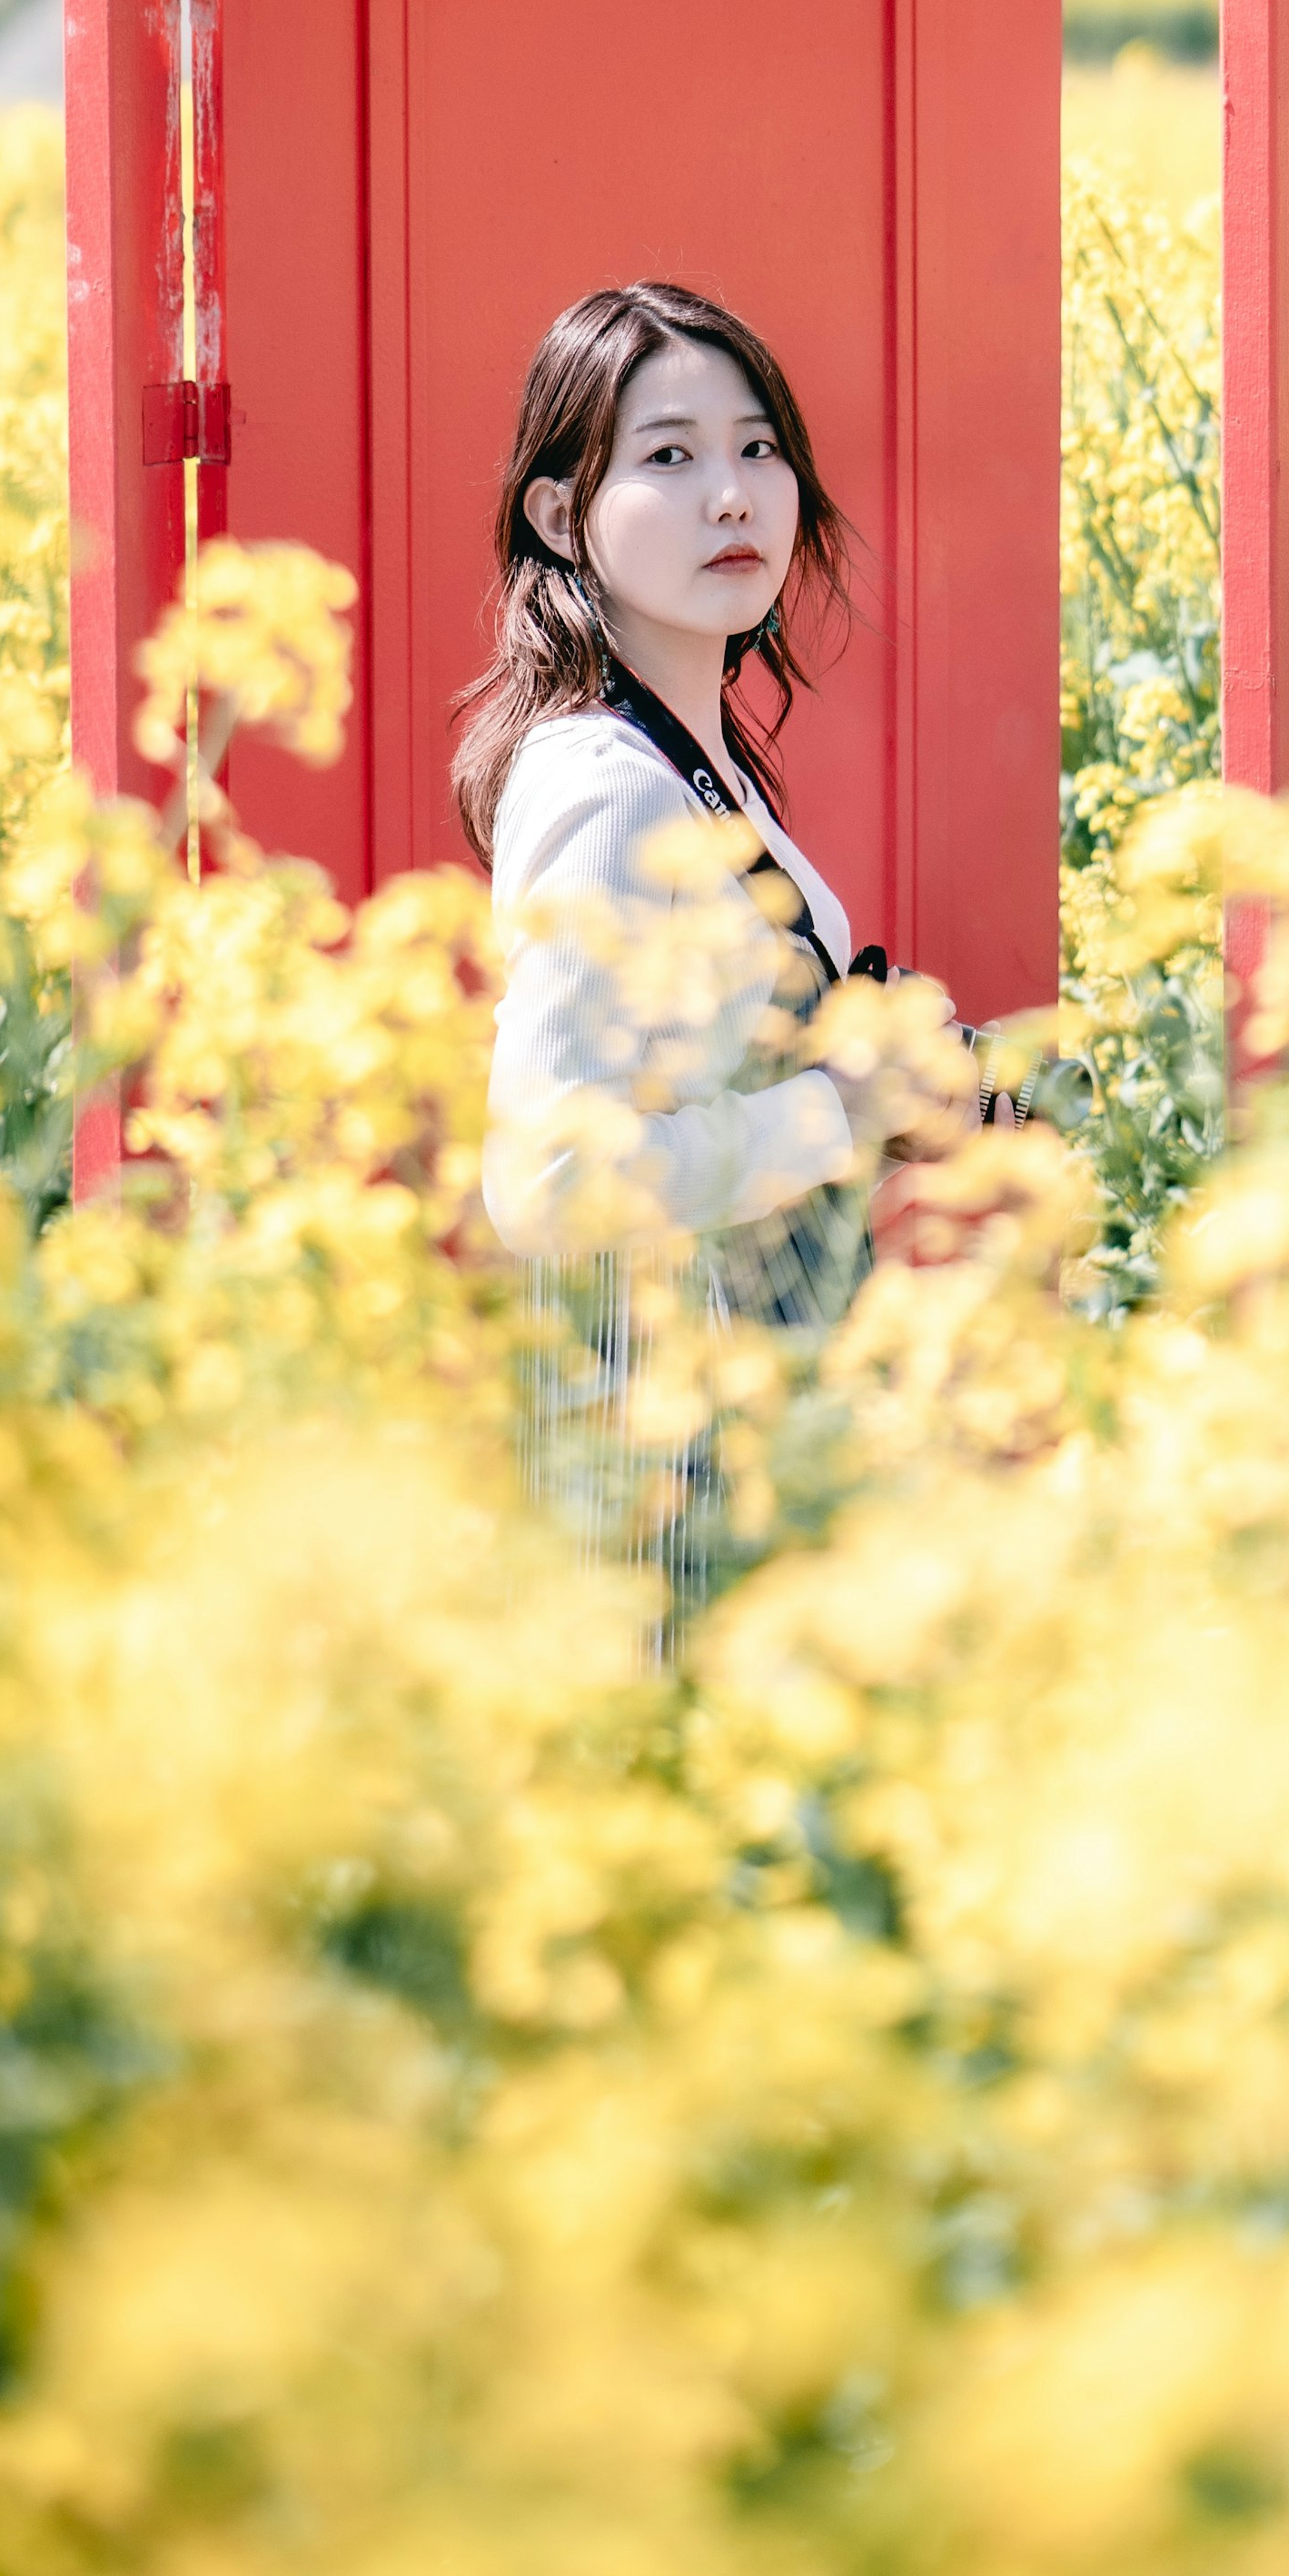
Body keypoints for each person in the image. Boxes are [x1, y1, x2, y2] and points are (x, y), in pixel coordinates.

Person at [454, 278, 972, 1598]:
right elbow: (548, 1181)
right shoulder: (605, 782)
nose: (732, 495)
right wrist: (839, 1112)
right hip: (653, 1483)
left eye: (757, 448)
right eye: (669, 458)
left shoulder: (692, 761)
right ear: (561, 515)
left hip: (728, 1439)